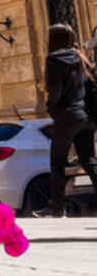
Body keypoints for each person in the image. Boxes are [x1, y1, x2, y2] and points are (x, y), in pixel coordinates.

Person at [38, 23, 97, 217]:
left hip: (67, 116)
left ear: (53, 39)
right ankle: (56, 206)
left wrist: (51, 108)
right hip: (86, 117)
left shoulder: (53, 59)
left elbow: (55, 92)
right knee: (88, 160)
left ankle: (56, 206)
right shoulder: (81, 58)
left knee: (57, 163)